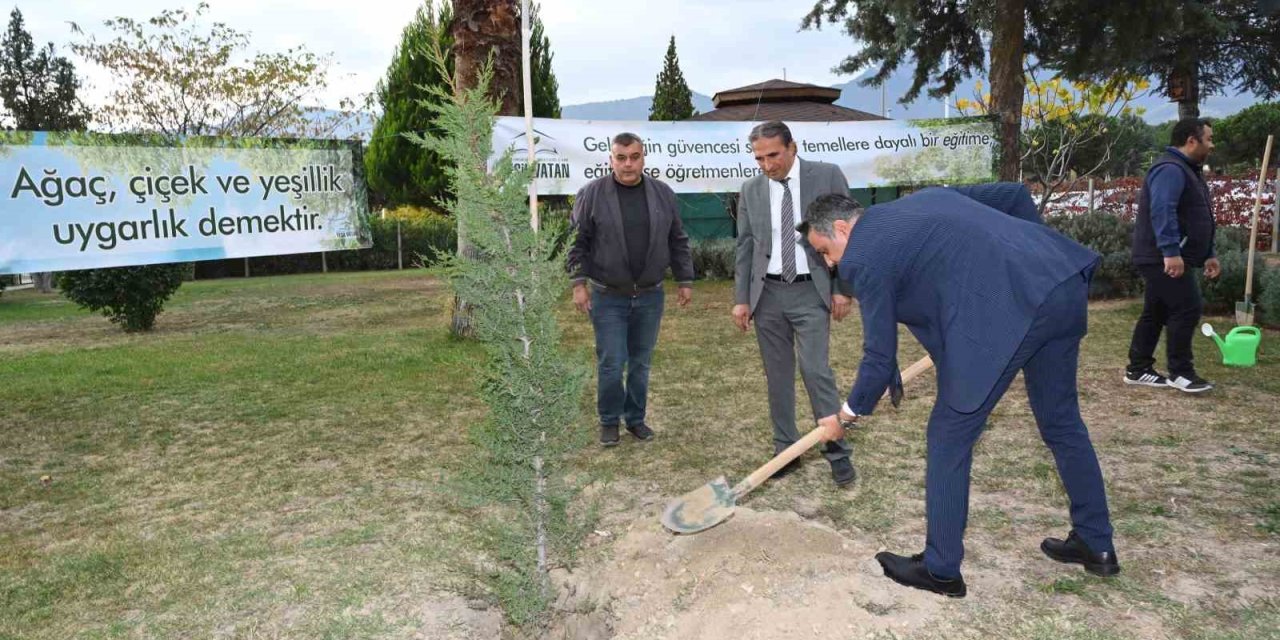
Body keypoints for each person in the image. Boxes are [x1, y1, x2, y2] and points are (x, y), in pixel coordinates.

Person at [799, 189, 1120, 598]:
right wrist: (1029, 263)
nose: (830, 264)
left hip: (1010, 310)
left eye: (825, 251)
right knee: (1061, 422)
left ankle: (940, 568)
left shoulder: (863, 256)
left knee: (948, 435)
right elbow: (1014, 196)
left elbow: (879, 358)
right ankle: (1095, 542)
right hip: (1059, 282)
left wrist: (845, 416)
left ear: (843, 229)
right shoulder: (920, 201)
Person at [732, 121, 856, 487]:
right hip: (767, 294)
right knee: (777, 375)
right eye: (759, 158)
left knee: (816, 370)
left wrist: (842, 288)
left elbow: (849, 233)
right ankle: (785, 450)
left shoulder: (827, 176)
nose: (767, 165)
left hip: (811, 291)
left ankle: (836, 450)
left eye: (773, 155)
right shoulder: (751, 189)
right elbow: (745, 246)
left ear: (792, 147)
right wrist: (741, 299)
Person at [567, 132, 695, 447]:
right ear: (610, 160)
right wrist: (578, 283)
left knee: (641, 363)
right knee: (612, 363)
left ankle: (635, 420)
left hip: (650, 295)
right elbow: (576, 242)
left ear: (643, 158)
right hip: (607, 296)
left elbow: (677, 239)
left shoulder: (663, 194)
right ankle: (609, 421)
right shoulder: (592, 194)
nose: (628, 164)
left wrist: (685, 279)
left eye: (634, 157)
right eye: (621, 158)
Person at [1125, 118, 1222, 393]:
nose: (1212, 145)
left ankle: (1138, 368)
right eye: (1208, 139)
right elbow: (1162, 210)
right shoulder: (1170, 169)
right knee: (1187, 307)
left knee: (1155, 311)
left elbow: (1196, 217)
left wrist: (1208, 254)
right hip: (1161, 256)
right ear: (1191, 140)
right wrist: (1170, 251)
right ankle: (1181, 373)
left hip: (1169, 255)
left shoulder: (1188, 170)